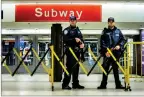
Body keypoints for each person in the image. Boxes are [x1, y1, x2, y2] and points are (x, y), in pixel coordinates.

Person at [98, 17, 125, 89]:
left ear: (114, 22)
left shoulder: (118, 31)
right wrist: (105, 51)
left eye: (112, 22)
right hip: (107, 54)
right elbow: (102, 42)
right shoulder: (105, 31)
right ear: (108, 23)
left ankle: (118, 85)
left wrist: (119, 45)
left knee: (116, 69)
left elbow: (122, 40)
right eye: (109, 22)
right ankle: (103, 85)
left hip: (116, 54)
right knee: (105, 69)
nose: (111, 23)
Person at [62, 16, 85, 90]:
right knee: (69, 68)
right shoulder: (66, 30)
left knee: (76, 68)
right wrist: (74, 40)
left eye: (74, 20)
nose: (72, 21)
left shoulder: (78, 30)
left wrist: (82, 43)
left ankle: (75, 83)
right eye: (71, 20)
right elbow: (65, 40)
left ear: (76, 21)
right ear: (69, 21)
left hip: (77, 52)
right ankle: (65, 84)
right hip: (70, 52)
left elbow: (81, 39)